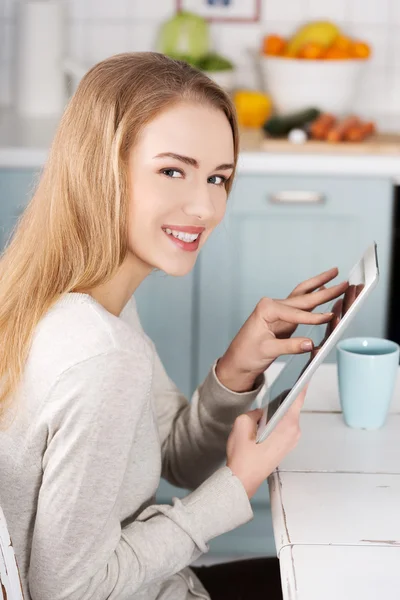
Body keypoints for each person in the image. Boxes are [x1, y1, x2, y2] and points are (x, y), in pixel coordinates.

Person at [0, 52, 347, 600]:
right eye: (172, 170)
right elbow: (65, 591)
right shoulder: (102, 357)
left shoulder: (67, 298)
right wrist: (235, 488)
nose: (206, 206)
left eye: (218, 178)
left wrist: (237, 368)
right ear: (102, 168)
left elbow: (176, 459)